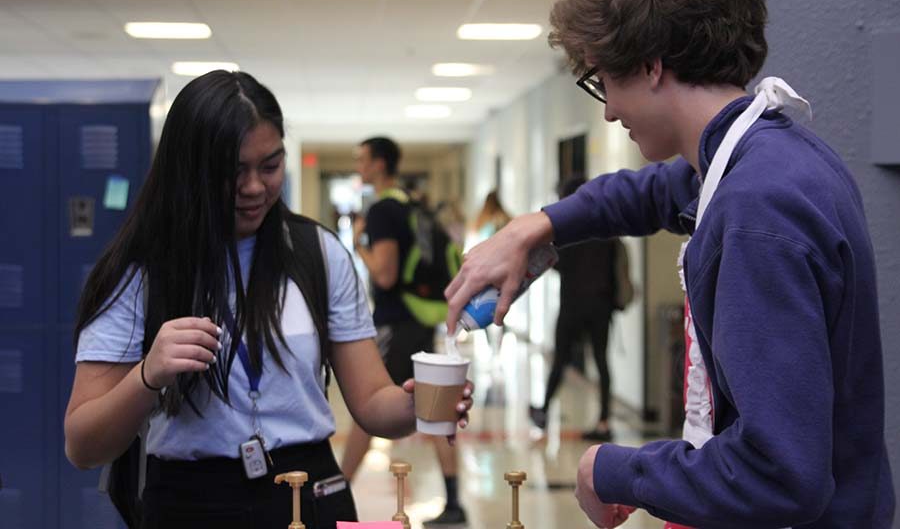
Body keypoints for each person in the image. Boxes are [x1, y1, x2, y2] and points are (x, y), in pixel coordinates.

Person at [445, 0, 894, 528]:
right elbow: (652, 192)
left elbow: (780, 473)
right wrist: (536, 226)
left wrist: (613, 468)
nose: (607, 110)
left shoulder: (759, 211)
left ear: (653, 65)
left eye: (603, 81)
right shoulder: (765, 159)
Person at [63, 71, 473, 529]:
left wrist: (418, 404)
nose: (255, 187)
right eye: (234, 171)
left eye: (270, 165)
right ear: (190, 167)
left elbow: (373, 401)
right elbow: (83, 445)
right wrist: (148, 375)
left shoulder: (317, 254)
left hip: (310, 498)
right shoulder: (141, 270)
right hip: (191, 505)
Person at [342, 136, 468, 527]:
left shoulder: (382, 210)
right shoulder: (413, 203)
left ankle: (335, 493)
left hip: (395, 321)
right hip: (419, 317)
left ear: (380, 164)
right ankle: (454, 501)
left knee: (368, 407)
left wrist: (359, 242)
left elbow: (385, 272)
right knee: (433, 404)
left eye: (363, 160)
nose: (359, 167)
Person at [528, 175, 621, 442]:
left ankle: (544, 411)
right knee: (602, 362)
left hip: (572, 304)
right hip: (601, 306)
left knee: (560, 359)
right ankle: (604, 421)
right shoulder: (606, 225)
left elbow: (557, 263)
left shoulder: (570, 228)